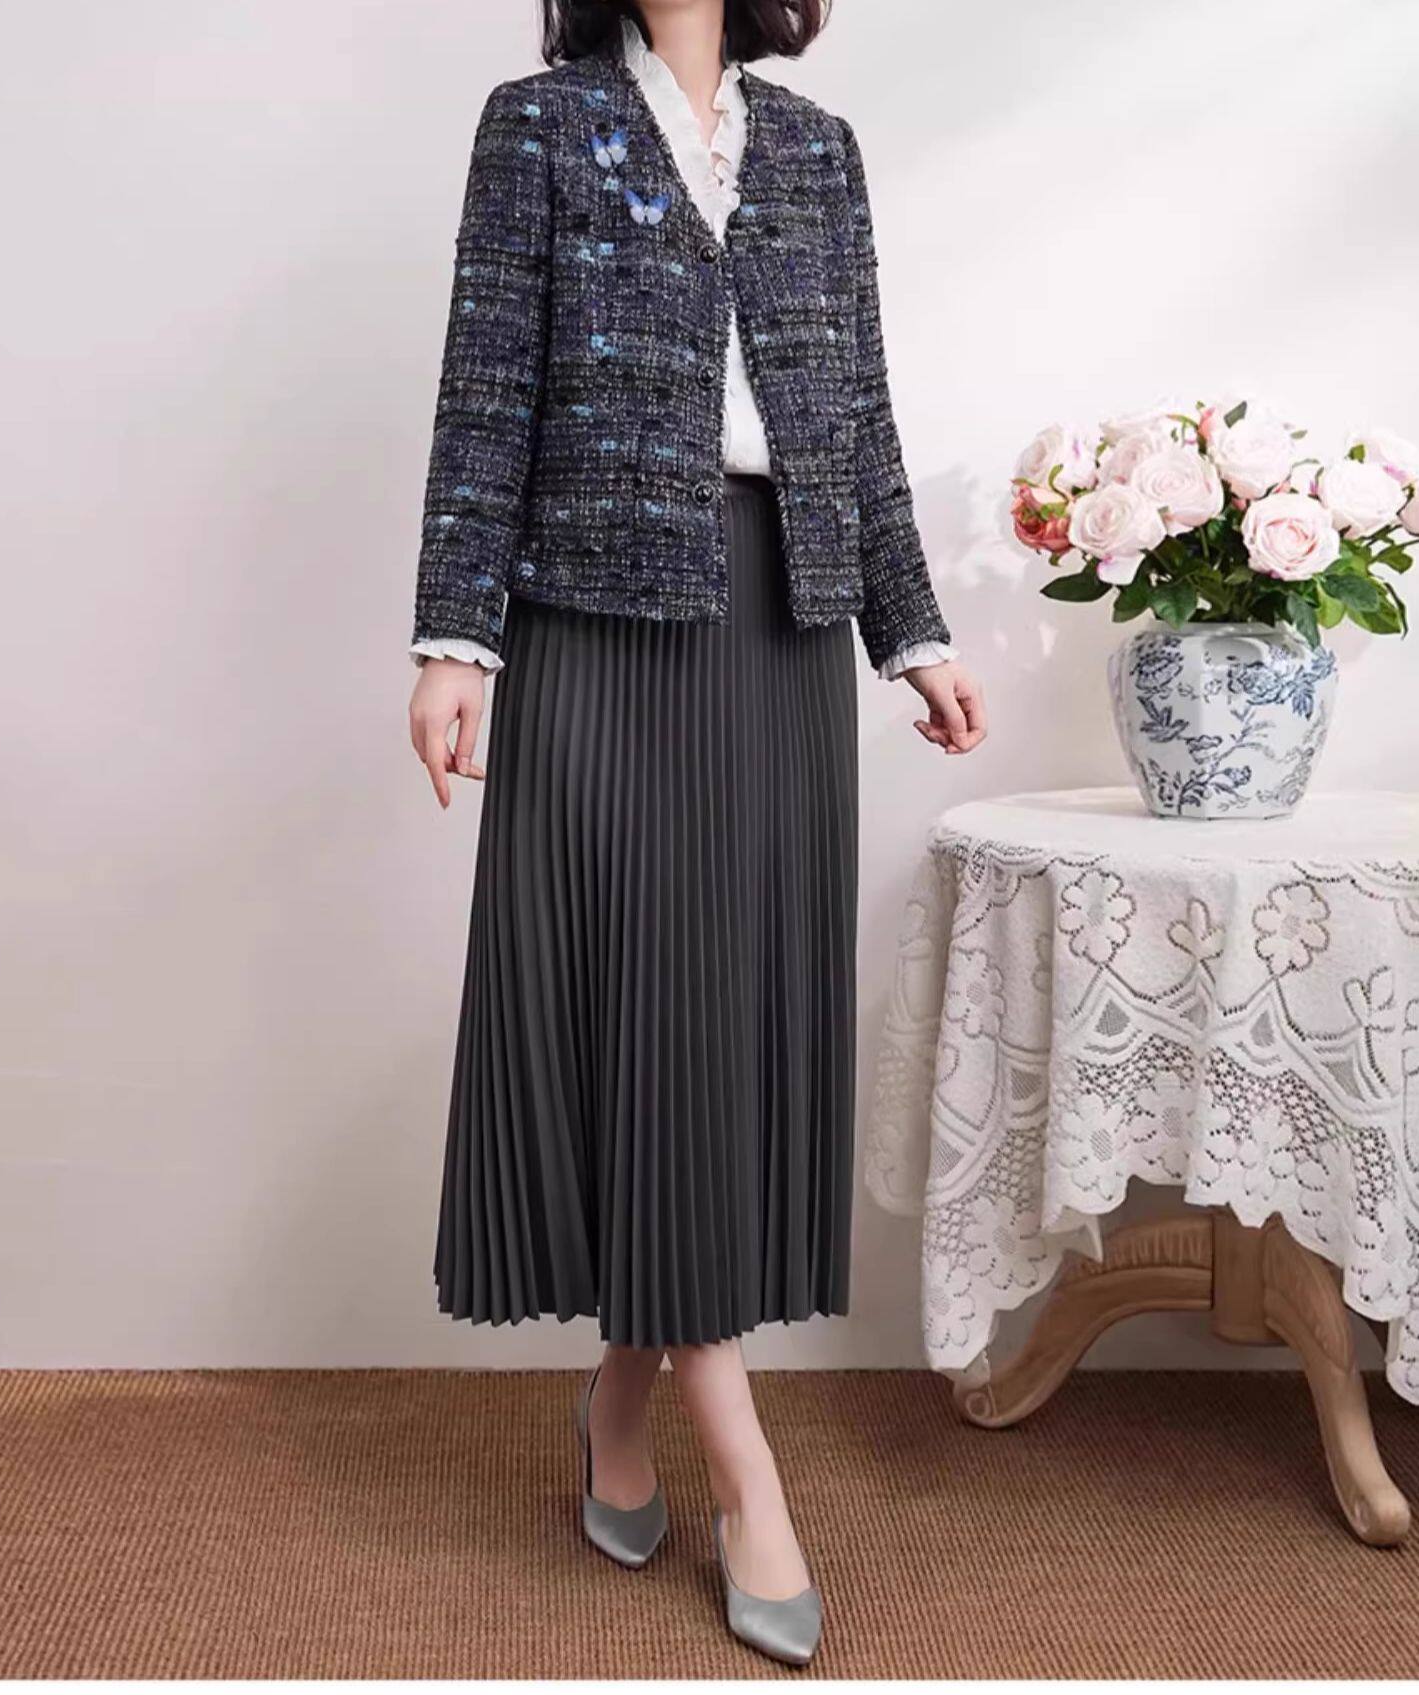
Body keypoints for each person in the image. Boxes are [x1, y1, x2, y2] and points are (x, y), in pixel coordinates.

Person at [408, 0, 987, 1665]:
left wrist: (914, 632)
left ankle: (620, 1392)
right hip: (595, 622)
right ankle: (746, 1471)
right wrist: (454, 641)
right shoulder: (535, 125)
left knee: (719, 1036)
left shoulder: (817, 149)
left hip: (781, 633)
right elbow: (485, 390)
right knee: (641, 1019)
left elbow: (857, 407)